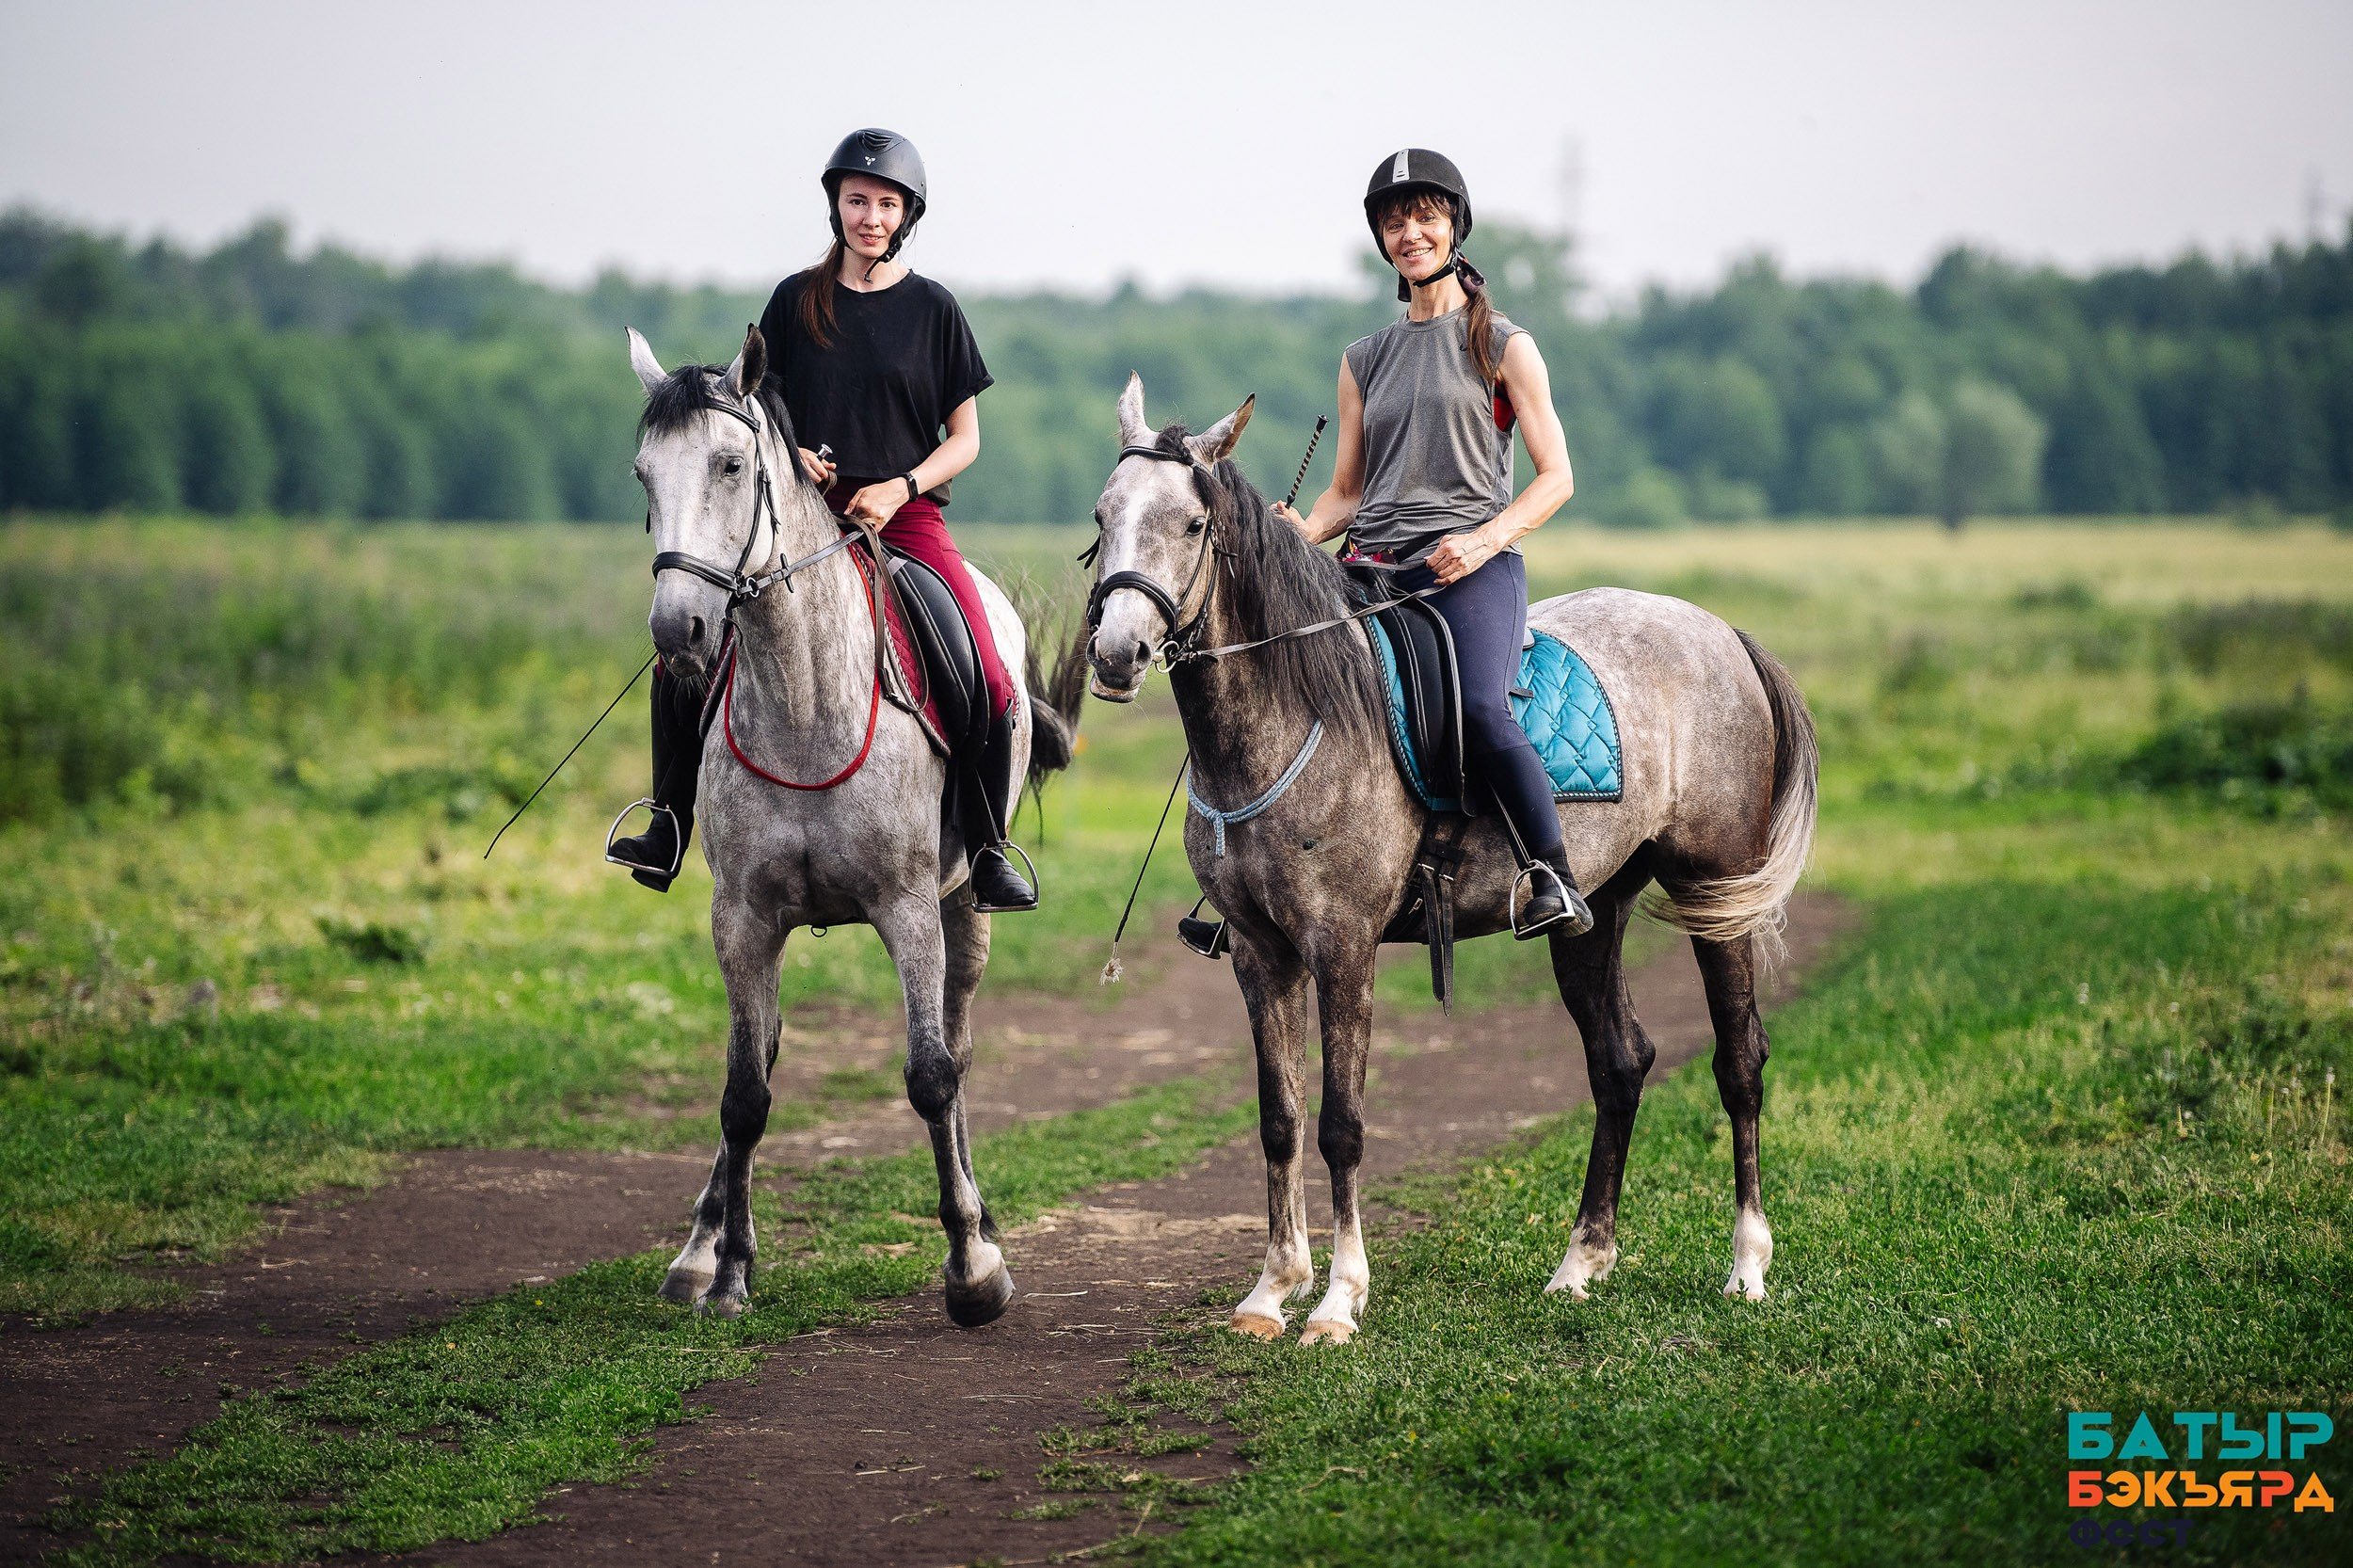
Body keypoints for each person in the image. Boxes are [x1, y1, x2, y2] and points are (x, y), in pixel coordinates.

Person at [609, 127, 1036, 912]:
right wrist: (795, 454)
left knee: (983, 668)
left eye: (885, 204)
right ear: (835, 206)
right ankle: (669, 819)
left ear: (907, 214)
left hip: (905, 520)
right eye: (857, 201)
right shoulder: (793, 300)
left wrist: (901, 487)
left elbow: (966, 442)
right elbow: (755, 412)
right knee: (682, 655)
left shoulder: (934, 309)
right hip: (800, 523)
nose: (869, 216)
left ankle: (985, 849)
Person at [1274, 149, 1593, 939]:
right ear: (1382, 240)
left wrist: (1485, 541)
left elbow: (1556, 478)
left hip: (1470, 570)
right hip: (1369, 569)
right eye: (1394, 222)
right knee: (1276, 689)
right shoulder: (1362, 360)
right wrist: (1303, 531)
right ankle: (1252, 883)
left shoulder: (1505, 345)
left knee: (1483, 709)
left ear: (1454, 226)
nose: (1410, 233)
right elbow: (1348, 490)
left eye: (1425, 218)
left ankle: (1552, 873)